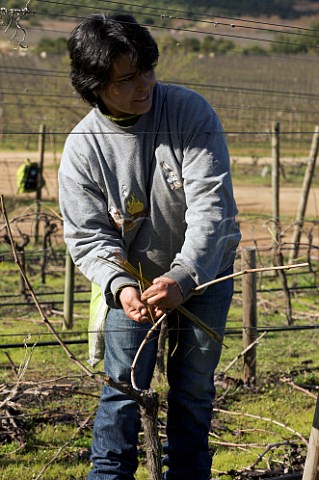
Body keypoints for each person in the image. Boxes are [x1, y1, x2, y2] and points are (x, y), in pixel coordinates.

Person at [58, 12, 241, 480]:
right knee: (122, 391)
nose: (144, 85)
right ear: (93, 84)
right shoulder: (83, 148)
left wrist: (184, 277)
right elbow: (87, 234)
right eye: (127, 78)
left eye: (148, 70)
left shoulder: (188, 112)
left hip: (205, 276)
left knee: (194, 392)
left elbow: (212, 210)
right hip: (132, 288)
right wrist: (120, 286)